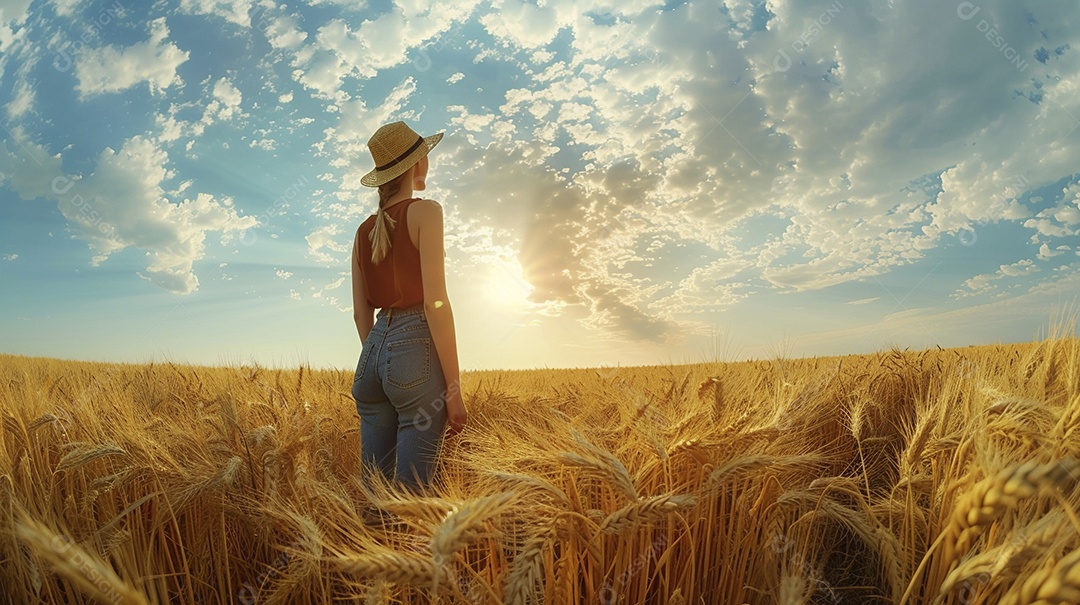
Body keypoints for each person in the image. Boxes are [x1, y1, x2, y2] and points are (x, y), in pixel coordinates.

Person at [350, 121, 467, 493]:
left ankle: (370, 530)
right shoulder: (426, 212)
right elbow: (435, 303)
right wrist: (454, 389)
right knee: (412, 499)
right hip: (414, 352)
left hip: (370, 358)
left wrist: (381, 361)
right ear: (416, 164)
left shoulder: (362, 231)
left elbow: (360, 313)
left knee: (376, 495)